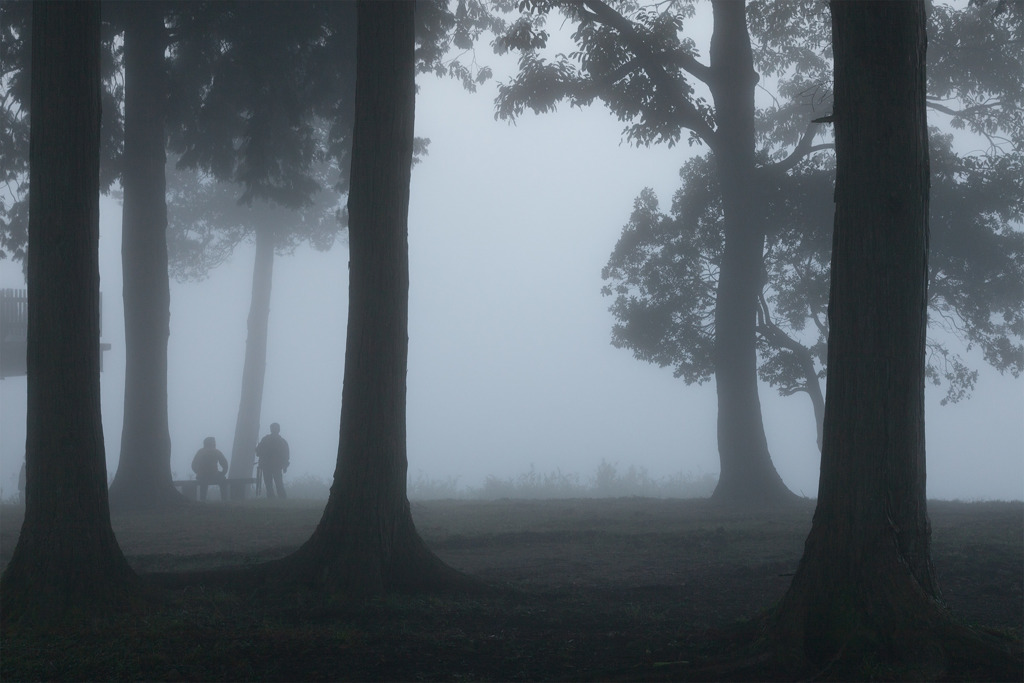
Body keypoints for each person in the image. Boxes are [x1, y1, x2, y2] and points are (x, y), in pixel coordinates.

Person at [255, 422, 289, 499]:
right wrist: (285, 465)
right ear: (279, 430)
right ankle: (282, 498)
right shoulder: (282, 441)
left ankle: (272, 498)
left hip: (267, 465)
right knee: (278, 483)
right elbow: (286, 455)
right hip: (275, 466)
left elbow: (258, 451)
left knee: (269, 484)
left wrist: (258, 451)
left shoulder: (265, 439)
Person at [191, 436, 229, 502]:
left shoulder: (200, 452)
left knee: (203, 486)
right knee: (223, 481)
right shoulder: (216, 452)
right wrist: (222, 473)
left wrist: (199, 473)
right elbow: (225, 464)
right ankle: (224, 500)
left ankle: (203, 501)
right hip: (213, 475)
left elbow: (193, 465)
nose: (215, 444)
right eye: (214, 442)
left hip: (203, 476)